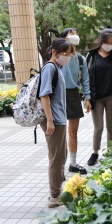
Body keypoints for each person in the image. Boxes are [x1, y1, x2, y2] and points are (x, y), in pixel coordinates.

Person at [39, 38, 74, 208]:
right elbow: (44, 95)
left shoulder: (57, 68)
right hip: (54, 121)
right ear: (54, 52)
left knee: (61, 156)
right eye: (64, 53)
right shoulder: (50, 68)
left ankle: (57, 192)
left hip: (59, 119)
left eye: (68, 54)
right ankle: (54, 196)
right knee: (56, 159)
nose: (67, 57)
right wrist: (50, 122)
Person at [86, 27, 112, 166]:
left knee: (111, 127)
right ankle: (95, 152)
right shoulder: (91, 56)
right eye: (107, 42)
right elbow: (85, 77)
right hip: (96, 97)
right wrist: (86, 97)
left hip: (111, 96)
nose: (110, 45)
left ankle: (111, 152)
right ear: (100, 41)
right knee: (98, 128)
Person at [59, 27, 91, 175]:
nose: (75, 35)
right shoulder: (58, 56)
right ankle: (58, 167)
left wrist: (87, 97)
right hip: (58, 95)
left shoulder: (80, 59)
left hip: (72, 94)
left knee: (73, 132)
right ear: (64, 38)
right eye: (71, 33)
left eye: (76, 33)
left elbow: (85, 80)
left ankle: (72, 163)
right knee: (58, 134)